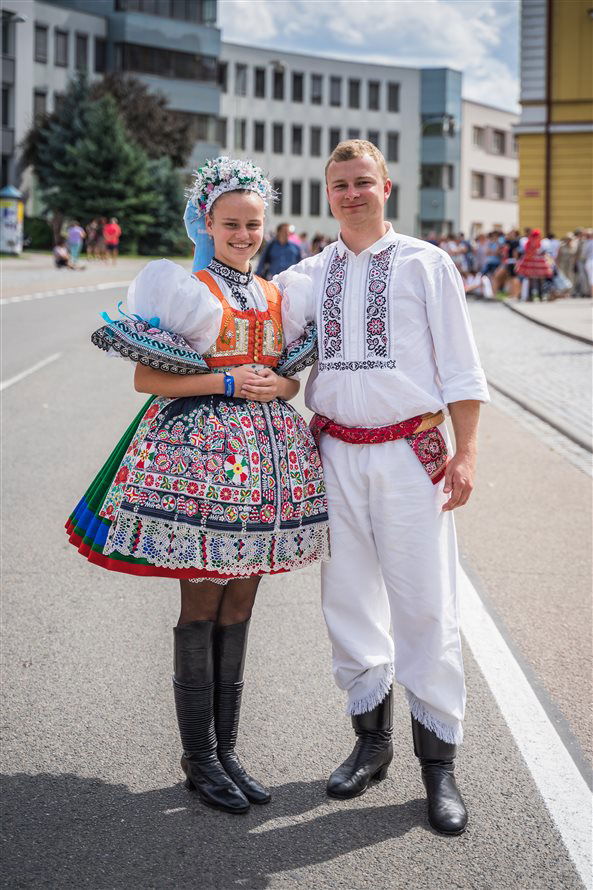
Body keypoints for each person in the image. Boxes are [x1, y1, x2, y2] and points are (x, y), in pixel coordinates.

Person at [65, 156, 330, 815]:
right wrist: (228, 381)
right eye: (230, 223)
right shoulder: (187, 290)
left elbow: (288, 378)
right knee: (201, 607)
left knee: (240, 606)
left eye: (252, 224)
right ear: (207, 223)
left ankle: (227, 750)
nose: (243, 235)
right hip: (201, 465)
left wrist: (281, 385)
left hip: (266, 469)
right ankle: (199, 757)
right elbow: (147, 380)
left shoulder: (278, 296)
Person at [276, 139, 489, 836]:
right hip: (335, 452)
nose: (351, 194)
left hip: (408, 454)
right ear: (327, 193)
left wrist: (466, 453)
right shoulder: (308, 273)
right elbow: (256, 328)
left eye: (362, 182)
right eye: (340, 184)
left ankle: (439, 767)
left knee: (424, 602)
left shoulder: (427, 264)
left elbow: (461, 366)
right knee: (347, 599)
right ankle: (371, 745)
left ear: (385, 187)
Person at [516, 229, 553, 301]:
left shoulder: (528, 243)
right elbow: (544, 252)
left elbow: (526, 252)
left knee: (532, 280)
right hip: (539, 264)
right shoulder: (542, 243)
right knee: (540, 280)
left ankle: (531, 296)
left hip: (531, 264)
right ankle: (540, 296)